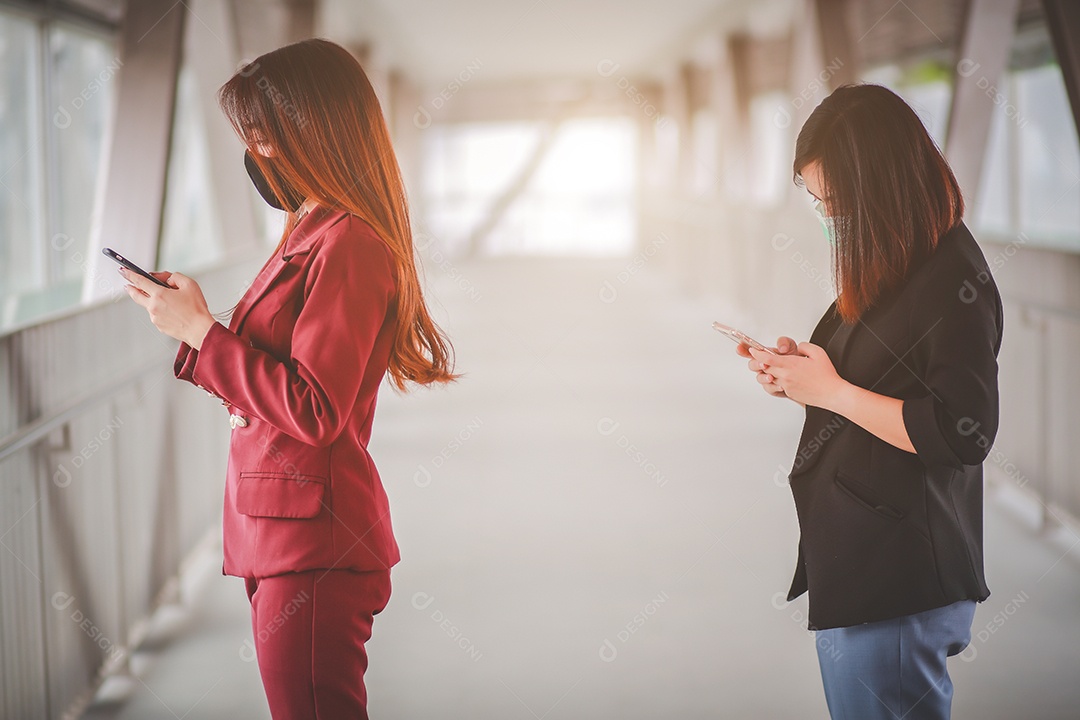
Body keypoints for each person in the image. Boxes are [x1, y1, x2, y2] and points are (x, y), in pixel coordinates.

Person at [120, 38, 456, 719]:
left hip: (316, 545)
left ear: (309, 132)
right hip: (282, 536)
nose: (251, 152)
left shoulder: (350, 244)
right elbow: (278, 383)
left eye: (260, 135)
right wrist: (200, 325)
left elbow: (314, 406)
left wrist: (200, 333)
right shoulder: (308, 231)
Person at [736, 84, 1002, 719]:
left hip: (900, 578)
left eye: (835, 201)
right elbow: (873, 382)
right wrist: (802, 377)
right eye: (817, 200)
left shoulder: (952, 278)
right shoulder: (897, 259)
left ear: (880, 186)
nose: (828, 216)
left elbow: (963, 432)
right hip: (863, 565)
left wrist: (831, 391)